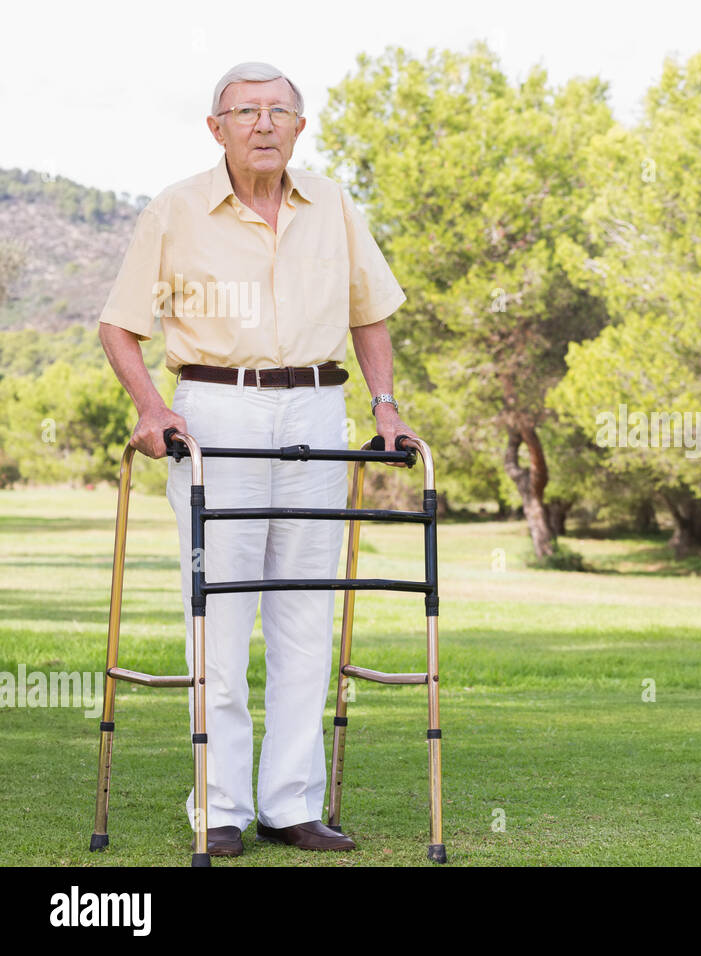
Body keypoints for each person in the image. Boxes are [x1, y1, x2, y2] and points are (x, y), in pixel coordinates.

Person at [97, 62, 415, 856]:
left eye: (279, 111)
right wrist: (152, 407)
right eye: (246, 111)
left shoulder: (334, 204)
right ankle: (221, 808)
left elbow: (369, 312)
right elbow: (118, 325)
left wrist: (384, 404)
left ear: (300, 127)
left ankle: (293, 803)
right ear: (217, 128)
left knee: (307, 611)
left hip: (316, 404)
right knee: (221, 612)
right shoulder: (175, 208)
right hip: (216, 408)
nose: (264, 124)